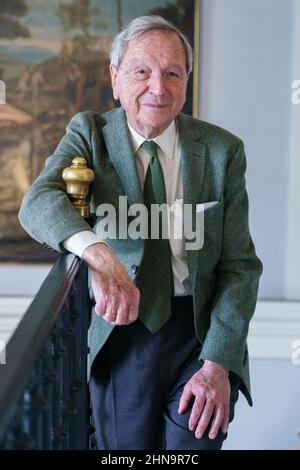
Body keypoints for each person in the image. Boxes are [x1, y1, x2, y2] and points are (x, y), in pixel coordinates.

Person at [19, 15, 263, 450]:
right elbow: (38, 203)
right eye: (141, 71)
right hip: (122, 331)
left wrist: (218, 363)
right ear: (115, 79)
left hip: (199, 336)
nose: (158, 87)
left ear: (186, 81)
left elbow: (240, 267)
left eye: (173, 73)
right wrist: (98, 252)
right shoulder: (89, 134)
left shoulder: (223, 151)